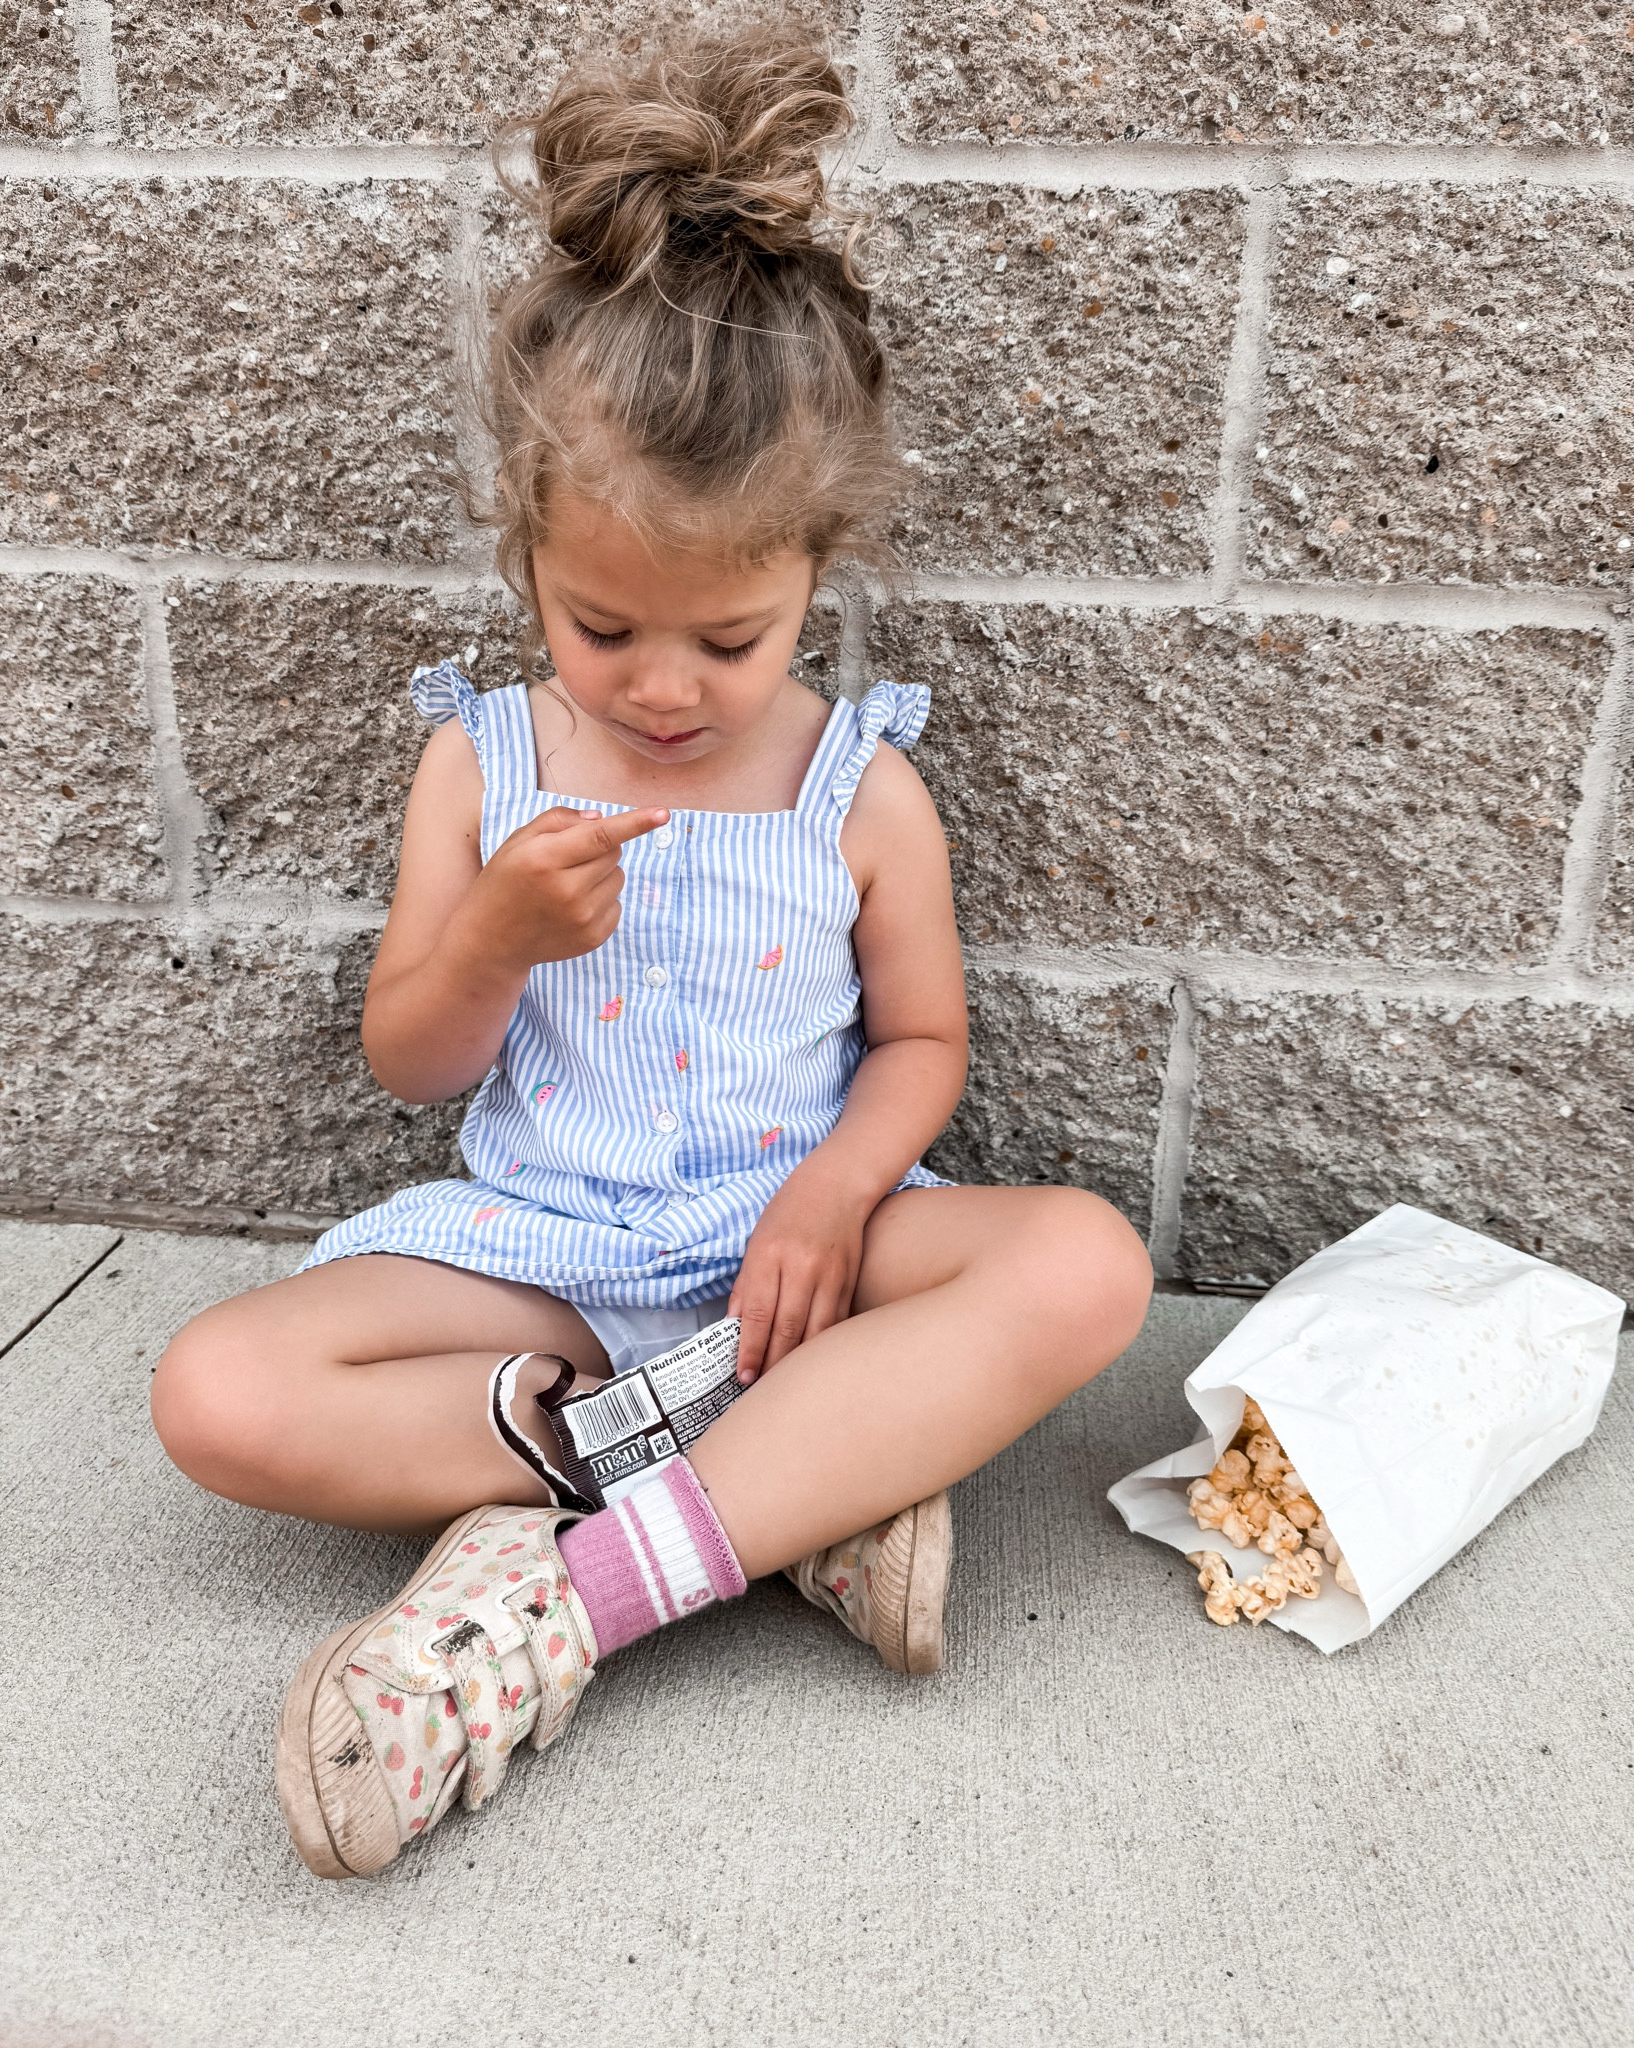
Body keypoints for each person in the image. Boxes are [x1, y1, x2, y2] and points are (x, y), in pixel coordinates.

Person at [150, 22, 1153, 1880]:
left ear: (817, 577)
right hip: (539, 1269)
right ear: (523, 552)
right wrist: (496, 936)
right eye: (606, 627)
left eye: (734, 638)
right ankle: (797, 1496)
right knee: (213, 1391)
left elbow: (921, 1044)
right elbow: (414, 1064)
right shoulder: (489, 760)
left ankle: (576, 1598)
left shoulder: (857, 793)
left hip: (792, 1256)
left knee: (1085, 1263)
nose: (667, 689)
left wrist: (834, 1203)